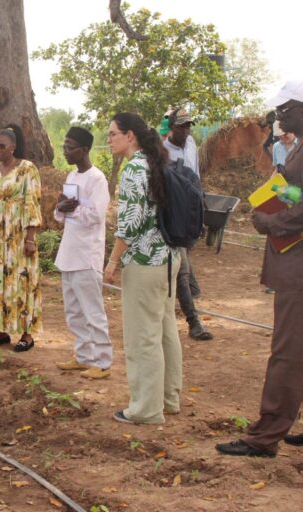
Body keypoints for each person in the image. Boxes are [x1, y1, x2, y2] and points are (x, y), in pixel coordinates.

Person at [216, 80, 303, 457]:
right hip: (291, 260)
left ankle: (265, 437)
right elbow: (298, 193)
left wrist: (274, 222)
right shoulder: (298, 148)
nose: (278, 117)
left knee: (287, 352)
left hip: (297, 266)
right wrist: (271, 199)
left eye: (285, 109)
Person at [104, 112, 182, 425]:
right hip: (168, 257)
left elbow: (131, 224)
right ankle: (167, 398)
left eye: (113, 134)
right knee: (164, 329)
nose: (109, 139)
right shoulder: (154, 162)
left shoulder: (135, 168)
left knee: (142, 336)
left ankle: (146, 409)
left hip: (145, 262)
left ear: (130, 136)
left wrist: (112, 260)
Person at [0, 124, 42, 352]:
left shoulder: (26, 169)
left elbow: (32, 203)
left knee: (21, 282)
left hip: (18, 236)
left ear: (12, 147)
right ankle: (1, 331)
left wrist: (30, 238)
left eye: (1, 146)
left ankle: (26, 334)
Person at [54, 127, 112, 377]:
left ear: (85, 149)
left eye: (70, 147)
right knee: (74, 312)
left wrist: (71, 209)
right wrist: (61, 208)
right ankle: (84, 356)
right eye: (64, 147)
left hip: (87, 255)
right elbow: (61, 216)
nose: (66, 152)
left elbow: (97, 216)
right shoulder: (72, 176)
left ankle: (102, 362)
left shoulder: (97, 179)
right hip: (69, 253)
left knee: (92, 311)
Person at [162, 110, 212, 340]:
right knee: (181, 270)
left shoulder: (191, 143)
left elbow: (196, 178)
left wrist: (201, 213)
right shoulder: (163, 152)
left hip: (193, 206)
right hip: (175, 214)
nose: (186, 130)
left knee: (184, 263)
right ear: (172, 127)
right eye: (181, 126)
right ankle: (194, 322)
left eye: (188, 126)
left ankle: (189, 290)